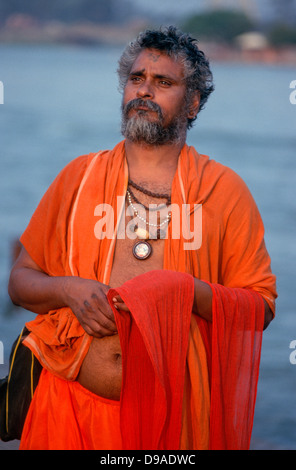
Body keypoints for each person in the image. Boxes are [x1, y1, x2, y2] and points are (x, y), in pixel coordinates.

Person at [8, 26, 277, 450]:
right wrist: (67, 289)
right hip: (68, 410)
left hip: (174, 424)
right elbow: (20, 280)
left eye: (163, 82)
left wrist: (184, 291)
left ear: (191, 103)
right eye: (137, 79)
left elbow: (259, 307)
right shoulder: (80, 177)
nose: (145, 91)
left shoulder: (224, 191)